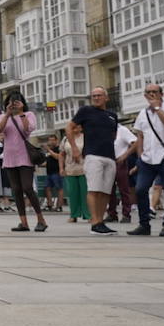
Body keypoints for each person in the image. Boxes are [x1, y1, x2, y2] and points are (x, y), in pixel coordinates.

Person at [127, 82, 164, 237]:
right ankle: (144, 224)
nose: (151, 94)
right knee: (140, 190)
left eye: (154, 92)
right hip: (147, 159)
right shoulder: (142, 114)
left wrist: (157, 108)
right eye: (148, 92)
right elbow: (140, 136)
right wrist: (139, 158)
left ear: (161, 94)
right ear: (145, 95)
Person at [66, 86, 120, 235]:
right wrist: (75, 148)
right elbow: (69, 127)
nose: (96, 98)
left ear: (106, 98)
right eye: (93, 96)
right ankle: (95, 221)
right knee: (94, 189)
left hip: (109, 156)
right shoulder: (86, 111)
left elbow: (114, 135)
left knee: (105, 191)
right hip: (93, 155)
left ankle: (100, 221)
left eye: (99, 95)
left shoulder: (112, 116)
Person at [0, 91, 47, 232]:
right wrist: (7, 114)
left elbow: (27, 129)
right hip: (9, 157)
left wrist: (22, 112)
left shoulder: (28, 115)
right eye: (11, 102)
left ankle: (41, 219)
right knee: (16, 190)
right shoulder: (2, 117)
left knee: (28, 187)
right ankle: (23, 222)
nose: (14, 105)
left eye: (17, 102)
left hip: (24, 156)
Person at [42, 135, 63, 212]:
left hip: (57, 172)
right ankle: (49, 205)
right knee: (47, 188)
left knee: (59, 188)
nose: (51, 142)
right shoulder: (49, 151)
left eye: (53, 140)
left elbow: (58, 157)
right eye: (49, 140)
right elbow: (47, 161)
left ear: (56, 140)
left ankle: (59, 206)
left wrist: (49, 150)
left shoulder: (59, 148)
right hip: (49, 172)